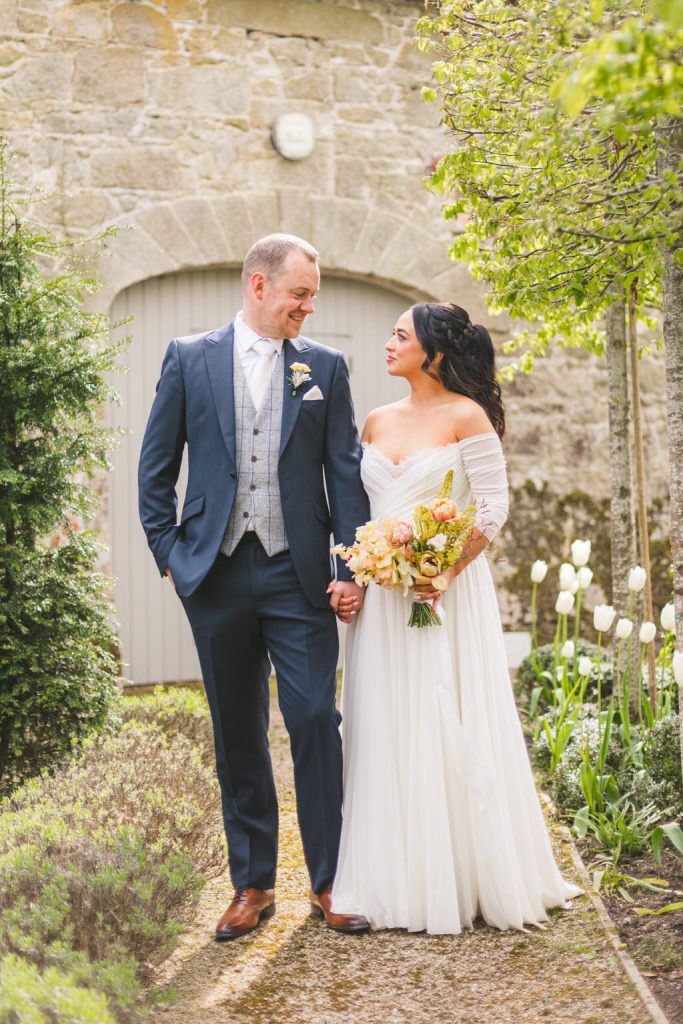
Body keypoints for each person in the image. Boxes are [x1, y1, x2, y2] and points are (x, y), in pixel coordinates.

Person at [138, 234, 371, 940]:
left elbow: (345, 476)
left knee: (311, 722)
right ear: (258, 285)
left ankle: (330, 882)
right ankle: (253, 884)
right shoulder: (188, 357)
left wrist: (347, 568)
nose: (308, 306)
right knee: (237, 729)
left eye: (313, 296)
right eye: (300, 293)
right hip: (214, 572)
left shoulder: (324, 366)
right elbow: (155, 470)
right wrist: (171, 557)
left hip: (297, 573)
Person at [331, 302, 582, 933]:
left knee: (442, 716)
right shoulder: (375, 420)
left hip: (442, 595)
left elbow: (491, 510)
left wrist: (441, 572)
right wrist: (355, 577)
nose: (388, 342)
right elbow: (359, 515)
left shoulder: (467, 416)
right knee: (384, 721)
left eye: (400, 335)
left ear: (434, 353)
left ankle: (461, 874)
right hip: (383, 600)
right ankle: (389, 875)